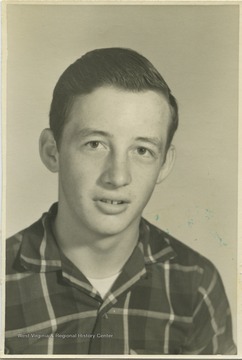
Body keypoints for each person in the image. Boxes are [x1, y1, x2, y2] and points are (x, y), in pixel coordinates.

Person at [5, 47, 236, 355]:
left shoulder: (196, 286)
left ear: (164, 164)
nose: (117, 176)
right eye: (95, 144)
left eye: (142, 150)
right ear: (52, 151)